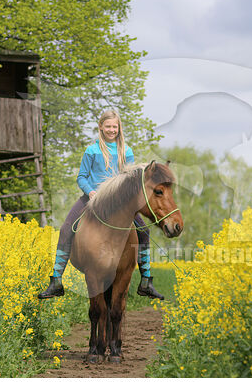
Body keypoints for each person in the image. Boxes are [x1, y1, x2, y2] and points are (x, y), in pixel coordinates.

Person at [38, 109, 164, 300]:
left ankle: (146, 281)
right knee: (66, 229)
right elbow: (81, 177)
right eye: (108, 126)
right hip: (93, 198)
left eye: (115, 126)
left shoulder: (126, 151)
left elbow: (130, 179)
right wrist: (91, 191)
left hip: (119, 203)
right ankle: (56, 280)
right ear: (101, 127)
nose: (112, 130)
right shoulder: (92, 150)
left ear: (119, 127)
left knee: (144, 230)